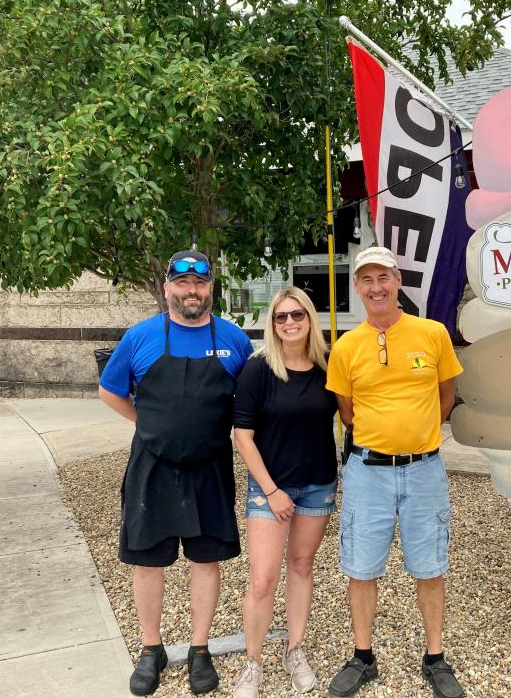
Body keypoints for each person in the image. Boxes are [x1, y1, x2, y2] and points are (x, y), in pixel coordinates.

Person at [98, 250, 253, 696]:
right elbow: (110, 392)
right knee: (147, 562)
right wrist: (148, 424)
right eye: (182, 284)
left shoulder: (234, 340)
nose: (191, 292)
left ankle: (200, 648)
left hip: (210, 467)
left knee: (205, 559)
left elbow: (247, 403)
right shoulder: (140, 337)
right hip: (152, 466)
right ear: (168, 288)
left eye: (200, 284)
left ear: (210, 289)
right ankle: (152, 649)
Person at [325, 246, 464, 698]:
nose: (376, 287)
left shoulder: (433, 333)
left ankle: (435, 657)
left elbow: (446, 396)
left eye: (383, 277)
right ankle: (363, 657)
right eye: (366, 279)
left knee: (430, 567)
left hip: (424, 469)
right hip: (368, 472)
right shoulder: (346, 346)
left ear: (397, 280)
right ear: (357, 288)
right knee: (361, 568)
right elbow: (347, 412)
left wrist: (415, 434)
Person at [230, 287, 338, 698]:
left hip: (318, 484)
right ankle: (253, 662)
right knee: (262, 579)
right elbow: (243, 435)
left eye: (297, 315)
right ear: (272, 325)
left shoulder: (328, 366)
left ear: (310, 319)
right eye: (281, 317)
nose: (289, 323)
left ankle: (295, 649)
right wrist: (272, 490)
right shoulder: (259, 369)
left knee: (302, 567)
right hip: (269, 487)